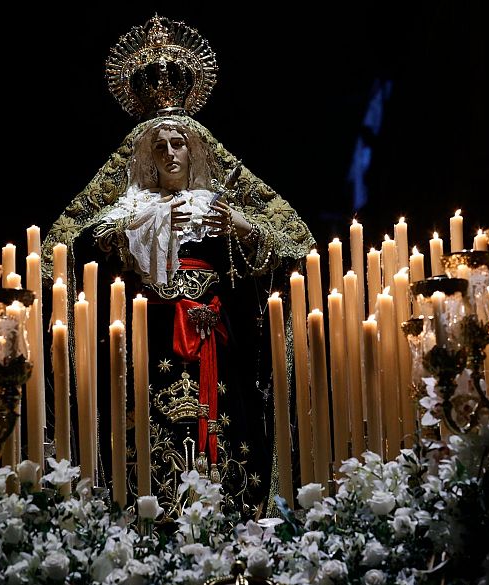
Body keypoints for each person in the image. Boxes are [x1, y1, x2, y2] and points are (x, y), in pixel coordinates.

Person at [41, 16, 315, 521]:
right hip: (151, 340)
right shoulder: (128, 210)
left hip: (216, 338)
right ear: (145, 156)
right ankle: (148, 516)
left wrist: (241, 228)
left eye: (179, 143)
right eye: (160, 145)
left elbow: (296, 249)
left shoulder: (222, 205)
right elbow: (61, 251)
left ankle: (231, 513)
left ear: (196, 148)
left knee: (225, 425)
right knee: (147, 429)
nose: (170, 153)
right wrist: (119, 236)